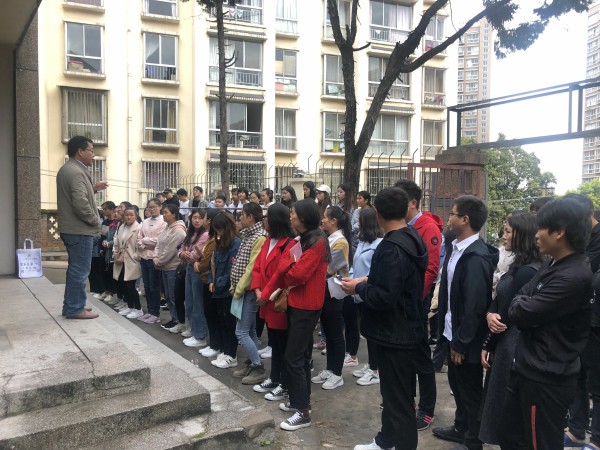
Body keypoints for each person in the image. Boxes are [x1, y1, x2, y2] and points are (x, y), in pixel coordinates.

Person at [500, 197, 593, 450]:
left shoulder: (573, 276)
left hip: (545, 378)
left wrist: (522, 303)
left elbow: (520, 313)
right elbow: (521, 296)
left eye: (541, 227)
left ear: (559, 232)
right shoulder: (552, 263)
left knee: (539, 443)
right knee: (509, 435)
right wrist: (522, 302)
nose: (536, 234)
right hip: (529, 368)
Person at [341, 187, 428, 450]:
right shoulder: (411, 237)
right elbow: (397, 281)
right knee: (392, 395)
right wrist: (367, 279)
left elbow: (385, 296)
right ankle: (385, 440)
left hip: (395, 333)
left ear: (377, 214)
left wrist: (359, 288)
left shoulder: (391, 247)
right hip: (404, 327)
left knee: (399, 401)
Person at [432, 195, 498, 450]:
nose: (448, 218)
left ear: (465, 219)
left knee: (470, 390)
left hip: (465, 338)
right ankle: (461, 427)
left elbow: (474, 306)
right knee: (457, 384)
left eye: (452, 214)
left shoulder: (476, 257)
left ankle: (473, 440)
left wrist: (461, 342)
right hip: (452, 332)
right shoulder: (456, 248)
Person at [261, 199, 330, 431]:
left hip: (307, 306)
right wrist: (287, 267)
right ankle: (300, 402)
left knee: (293, 357)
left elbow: (297, 275)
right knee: (300, 356)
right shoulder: (303, 239)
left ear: (304, 217)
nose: (291, 216)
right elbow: (288, 268)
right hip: (297, 302)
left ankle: (303, 413)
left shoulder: (317, 242)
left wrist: (286, 267)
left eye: (293, 213)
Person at [479, 213, 542, 445]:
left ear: (522, 235)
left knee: (507, 417)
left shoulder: (527, 271)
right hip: (505, 342)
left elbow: (506, 315)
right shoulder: (518, 266)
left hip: (510, 345)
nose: (503, 236)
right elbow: (499, 300)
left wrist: (488, 343)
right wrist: (490, 313)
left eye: (507, 231)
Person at [395, 179, 443, 430]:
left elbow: (431, 270)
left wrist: (412, 299)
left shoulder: (427, 228)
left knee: (421, 356)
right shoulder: (402, 226)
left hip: (416, 302)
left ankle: (426, 409)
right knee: (404, 355)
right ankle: (408, 401)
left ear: (412, 203)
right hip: (402, 301)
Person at [563, 193, 600, 449]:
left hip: (597, 323)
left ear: (590, 215)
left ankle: (596, 438)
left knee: (597, 384)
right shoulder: (578, 239)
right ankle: (576, 432)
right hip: (579, 319)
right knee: (577, 376)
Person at [56, 135, 108, 319]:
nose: (93, 155)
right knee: (79, 271)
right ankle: (75, 309)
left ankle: (72, 305)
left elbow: (78, 195)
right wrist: (96, 221)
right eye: (91, 150)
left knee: (75, 270)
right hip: (79, 230)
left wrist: (94, 188)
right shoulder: (76, 172)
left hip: (72, 229)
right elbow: (81, 204)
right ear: (80, 151)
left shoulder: (69, 169)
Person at [252, 203, 296, 400]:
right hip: (264, 300)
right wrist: (257, 290)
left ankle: (284, 383)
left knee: (282, 344)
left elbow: (281, 275)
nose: (264, 220)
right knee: (274, 342)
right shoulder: (267, 240)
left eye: (267, 216)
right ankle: (275, 377)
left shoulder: (290, 244)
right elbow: (257, 268)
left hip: (277, 300)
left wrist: (264, 294)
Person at [311, 206, 353, 390]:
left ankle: (337, 373)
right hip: (325, 291)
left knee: (335, 333)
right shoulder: (330, 238)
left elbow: (327, 268)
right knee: (328, 331)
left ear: (334, 221)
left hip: (334, 293)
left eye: (326, 217)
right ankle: (329, 369)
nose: (323, 220)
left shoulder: (340, 242)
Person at [231, 203, 268, 384]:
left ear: (250, 217)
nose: (240, 219)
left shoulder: (259, 237)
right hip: (243, 289)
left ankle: (258, 367)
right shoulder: (248, 235)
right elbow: (240, 262)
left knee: (241, 332)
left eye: (242, 215)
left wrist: (238, 289)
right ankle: (253, 363)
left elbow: (252, 268)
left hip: (249, 291)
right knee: (250, 330)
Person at [349, 207, 383, 387]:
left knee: (373, 333)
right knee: (367, 331)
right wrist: (351, 279)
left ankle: (375, 371)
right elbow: (355, 264)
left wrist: (359, 283)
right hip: (359, 292)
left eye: (360, 221)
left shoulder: (380, 244)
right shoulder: (362, 242)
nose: (357, 224)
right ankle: (371, 365)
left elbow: (375, 273)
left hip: (370, 293)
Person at [208, 212, 242, 369]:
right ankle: (225, 351)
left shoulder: (235, 243)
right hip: (218, 289)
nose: (219, 232)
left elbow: (232, 269)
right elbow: (213, 264)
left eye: (220, 229)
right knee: (222, 321)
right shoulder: (220, 242)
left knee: (230, 323)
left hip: (228, 290)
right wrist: (211, 281)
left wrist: (218, 283)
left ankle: (231, 354)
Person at [177, 209, 210, 344]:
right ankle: (193, 329)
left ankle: (200, 335)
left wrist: (186, 254)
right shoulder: (190, 233)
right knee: (189, 302)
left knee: (197, 303)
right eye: (194, 217)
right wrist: (182, 254)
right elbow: (181, 249)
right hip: (189, 268)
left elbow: (196, 254)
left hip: (198, 270)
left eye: (200, 218)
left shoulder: (205, 234)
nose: (197, 220)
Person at [152, 204, 186, 325]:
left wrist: (159, 261)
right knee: (168, 295)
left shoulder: (178, 231)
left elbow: (171, 250)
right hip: (164, 267)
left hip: (173, 267)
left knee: (173, 296)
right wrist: (155, 257)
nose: (163, 215)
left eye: (166, 212)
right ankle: (173, 318)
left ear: (174, 214)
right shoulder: (167, 227)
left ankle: (178, 320)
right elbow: (158, 244)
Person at [136, 198, 167, 323]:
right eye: (150, 207)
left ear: (160, 207)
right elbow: (139, 238)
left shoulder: (163, 222)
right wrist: (145, 243)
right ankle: (149, 311)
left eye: (154, 206)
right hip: (144, 256)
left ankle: (155, 313)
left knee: (155, 286)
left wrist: (145, 241)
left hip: (154, 258)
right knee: (147, 286)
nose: (152, 209)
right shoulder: (145, 221)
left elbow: (159, 240)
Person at [112, 207, 143, 318]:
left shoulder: (139, 228)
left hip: (132, 260)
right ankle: (130, 306)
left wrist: (136, 256)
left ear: (136, 215)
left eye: (131, 215)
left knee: (130, 285)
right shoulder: (122, 227)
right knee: (123, 284)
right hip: (121, 258)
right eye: (126, 215)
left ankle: (138, 308)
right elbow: (117, 241)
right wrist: (116, 253)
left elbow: (140, 244)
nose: (129, 217)